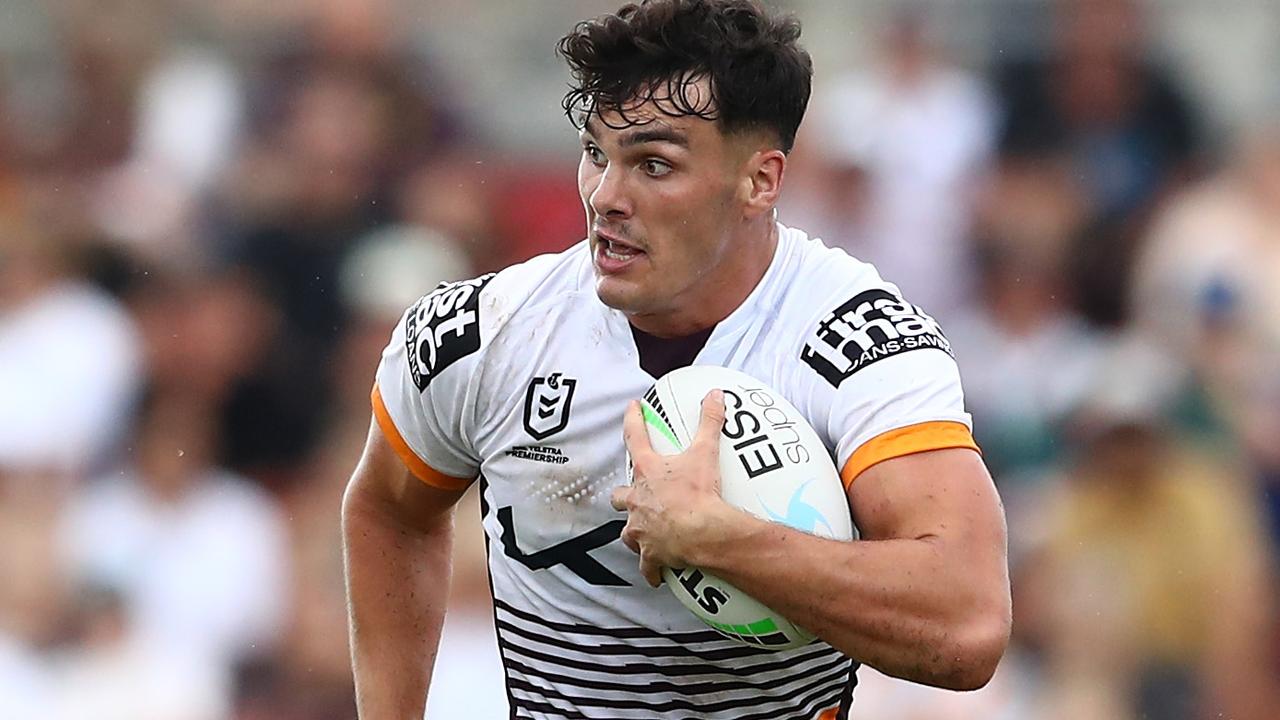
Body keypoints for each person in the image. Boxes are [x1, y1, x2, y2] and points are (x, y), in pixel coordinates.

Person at [342, 1, 1010, 718]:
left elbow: (967, 626)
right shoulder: (485, 334)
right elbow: (389, 511)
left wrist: (726, 543)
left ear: (761, 181)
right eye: (596, 153)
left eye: (653, 165)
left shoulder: (861, 343)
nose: (606, 197)